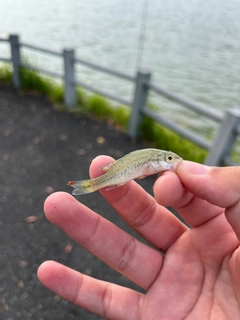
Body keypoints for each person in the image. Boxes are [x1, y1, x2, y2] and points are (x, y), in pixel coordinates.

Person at [37, 155, 240, 319]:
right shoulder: (150, 161)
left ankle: (89, 185)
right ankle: (89, 185)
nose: (174, 162)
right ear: (156, 161)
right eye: (169, 159)